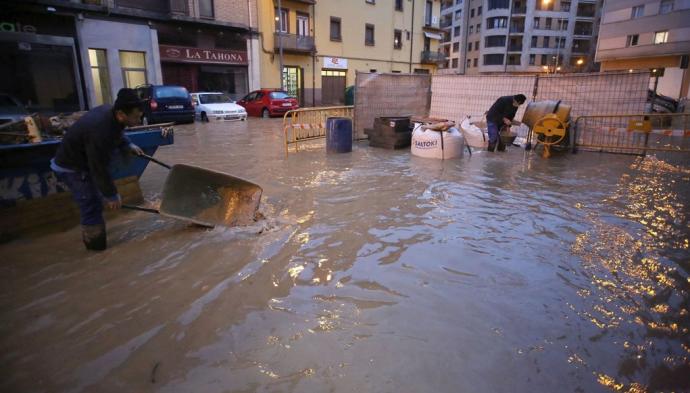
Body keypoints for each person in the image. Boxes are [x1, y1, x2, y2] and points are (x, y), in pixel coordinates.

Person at [51, 88, 146, 251]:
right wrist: (111, 195)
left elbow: (117, 132)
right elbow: (98, 167)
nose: (139, 120)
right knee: (91, 204)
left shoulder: (112, 114)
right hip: (71, 167)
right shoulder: (100, 131)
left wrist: (127, 144)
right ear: (122, 114)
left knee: (96, 196)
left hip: (84, 160)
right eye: (136, 117)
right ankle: (95, 247)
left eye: (140, 116)